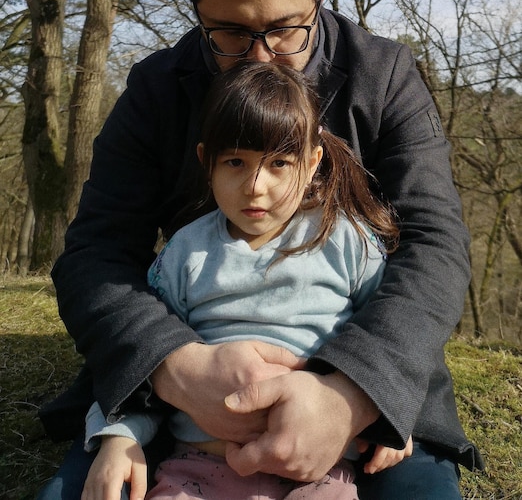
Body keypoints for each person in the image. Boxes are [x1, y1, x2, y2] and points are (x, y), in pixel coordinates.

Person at [38, 0, 483, 500]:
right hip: (180, 393)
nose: (261, 59)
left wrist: (355, 392)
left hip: (365, 385)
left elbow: (435, 246)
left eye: (284, 31)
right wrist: (173, 365)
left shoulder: (383, 76)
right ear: (196, 10)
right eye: (228, 35)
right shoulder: (154, 90)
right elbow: (95, 254)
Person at [81, 62, 408, 500]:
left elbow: (390, 336)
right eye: (235, 162)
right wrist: (119, 436)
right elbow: (140, 362)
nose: (256, 186)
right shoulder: (184, 254)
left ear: (313, 163)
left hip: (318, 476)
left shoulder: (347, 241)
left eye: (279, 163)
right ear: (206, 162)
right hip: (194, 473)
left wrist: (391, 413)